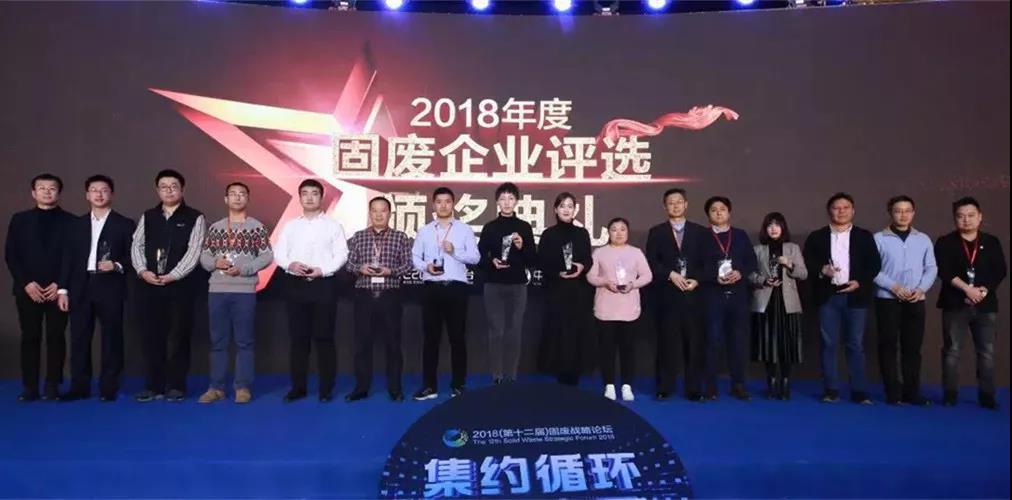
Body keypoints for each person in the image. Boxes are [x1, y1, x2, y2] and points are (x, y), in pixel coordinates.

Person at [56, 175, 136, 402]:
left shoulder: (124, 223)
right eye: (94, 190)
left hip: (110, 286)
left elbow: (135, 256)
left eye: (104, 190)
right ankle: (79, 387)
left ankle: (109, 387)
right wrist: (62, 290)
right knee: (79, 338)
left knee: (111, 338)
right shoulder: (76, 224)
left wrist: (116, 264)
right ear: (87, 195)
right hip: (80, 286)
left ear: (112, 193)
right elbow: (67, 259)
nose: (99, 194)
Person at [130, 169, 206, 402]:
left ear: (182, 189)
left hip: (180, 286)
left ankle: (176, 385)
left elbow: (195, 250)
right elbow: (137, 245)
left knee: (179, 336)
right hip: (150, 285)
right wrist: (142, 271)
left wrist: (175, 275)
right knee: (152, 336)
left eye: (174, 186)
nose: (169, 190)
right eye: (164, 186)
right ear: (157, 190)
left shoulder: (195, 217)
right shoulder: (148, 216)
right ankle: (153, 385)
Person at [273, 179, 348, 403]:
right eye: (304, 193)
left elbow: (342, 254)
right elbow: (279, 253)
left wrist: (322, 270)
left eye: (314, 193)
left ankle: (326, 389)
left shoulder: (333, 226)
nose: (309, 197)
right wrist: (291, 264)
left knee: (324, 338)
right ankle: (298, 387)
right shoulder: (290, 226)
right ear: (299, 197)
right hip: (295, 284)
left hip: (323, 285)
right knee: (298, 339)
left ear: (321, 197)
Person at [196, 182, 273, 404]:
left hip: (244, 290)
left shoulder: (256, 227)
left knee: (244, 341)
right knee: (217, 341)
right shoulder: (216, 228)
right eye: (233, 194)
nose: (237, 197)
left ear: (248, 199)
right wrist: (215, 263)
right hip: (217, 290)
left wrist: (245, 269)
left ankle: (242, 387)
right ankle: (216, 387)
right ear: (225, 199)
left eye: (242, 194)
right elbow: (204, 256)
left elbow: (267, 255)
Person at [803, 192, 881, 405]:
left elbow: (874, 264)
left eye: (846, 207)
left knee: (855, 343)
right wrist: (822, 270)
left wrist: (860, 282)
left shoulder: (864, 236)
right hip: (828, 296)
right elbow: (807, 262)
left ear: (853, 211)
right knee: (828, 343)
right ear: (829, 211)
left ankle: (859, 390)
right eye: (836, 207)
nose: (841, 211)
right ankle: (831, 389)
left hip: (856, 295)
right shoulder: (817, 236)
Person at [5, 173, 75, 401]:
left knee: (56, 337)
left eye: (52, 188)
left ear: (59, 193)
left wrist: (61, 285)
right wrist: (26, 283)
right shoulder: (20, 219)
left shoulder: (71, 222)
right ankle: (30, 387)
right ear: (33, 193)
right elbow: (11, 254)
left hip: (58, 291)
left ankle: (53, 385)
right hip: (28, 289)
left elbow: (72, 257)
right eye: (42, 188)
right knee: (30, 337)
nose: (47, 191)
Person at [934, 197, 1006, 410]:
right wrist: (967, 289)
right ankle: (950, 394)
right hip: (955, 304)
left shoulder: (991, 241)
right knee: (952, 350)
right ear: (955, 218)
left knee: (986, 351)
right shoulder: (945, 242)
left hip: (985, 305)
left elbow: (1000, 270)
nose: (966, 220)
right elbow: (943, 270)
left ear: (980, 217)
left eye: (971, 215)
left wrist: (982, 291)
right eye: (961, 216)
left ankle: (987, 395)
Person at [411, 187, 480, 400]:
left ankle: (458, 385)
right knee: (431, 339)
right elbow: (415, 257)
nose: (443, 205)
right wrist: (426, 266)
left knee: (457, 338)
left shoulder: (464, 230)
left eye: (447, 201)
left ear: (453, 204)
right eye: (439, 201)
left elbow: (475, 258)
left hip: (456, 288)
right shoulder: (424, 231)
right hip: (432, 287)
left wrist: (454, 252)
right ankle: (429, 386)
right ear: (433, 205)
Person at [344, 196, 412, 403]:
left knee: (393, 345)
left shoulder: (400, 237)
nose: (379, 214)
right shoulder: (359, 237)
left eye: (383, 210)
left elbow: (408, 264)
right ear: (370, 213)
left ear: (389, 214)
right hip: (364, 296)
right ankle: (361, 388)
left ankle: (395, 389)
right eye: (374, 210)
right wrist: (360, 268)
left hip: (389, 296)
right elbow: (348, 264)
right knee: (362, 345)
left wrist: (390, 271)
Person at [645, 188, 709, 402]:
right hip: (667, 296)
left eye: (679, 202)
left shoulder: (700, 232)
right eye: (671, 202)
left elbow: (708, 262)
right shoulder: (656, 232)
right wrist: (670, 275)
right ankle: (665, 387)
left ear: (686, 204)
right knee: (667, 343)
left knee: (695, 344)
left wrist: (697, 280)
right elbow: (651, 262)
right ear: (665, 206)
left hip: (694, 296)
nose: (675, 205)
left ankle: (694, 388)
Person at [872, 195, 936, 406]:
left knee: (912, 347)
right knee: (888, 345)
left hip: (915, 299)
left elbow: (931, 267)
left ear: (913, 213)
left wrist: (921, 289)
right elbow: (872, 269)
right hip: (887, 300)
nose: (903, 215)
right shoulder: (879, 238)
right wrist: (894, 287)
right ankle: (892, 391)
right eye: (898, 211)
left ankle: (912, 392)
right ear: (890, 213)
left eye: (907, 210)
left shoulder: (923, 239)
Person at [586, 218, 652, 401]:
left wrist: (633, 284)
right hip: (605, 309)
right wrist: (605, 282)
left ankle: (626, 385)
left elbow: (647, 275)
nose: (619, 233)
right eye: (614, 229)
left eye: (623, 229)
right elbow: (591, 276)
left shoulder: (636, 253)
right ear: (608, 233)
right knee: (607, 350)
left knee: (627, 350)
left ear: (628, 232)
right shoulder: (600, 252)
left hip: (629, 310)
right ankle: (608, 385)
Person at [699, 196, 757, 401]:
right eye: (713, 209)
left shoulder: (740, 235)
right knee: (712, 340)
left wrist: (740, 272)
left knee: (738, 341)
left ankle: (738, 384)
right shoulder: (701, 236)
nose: (718, 212)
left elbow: (751, 261)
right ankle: (710, 386)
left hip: (738, 296)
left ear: (729, 212)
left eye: (722, 209)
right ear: (708, 214)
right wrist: (713, 277)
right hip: (712, 295)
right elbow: (696, 266)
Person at [478, 182, 536, 385]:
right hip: (493, 285)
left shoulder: (524, 227)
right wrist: (491, 261)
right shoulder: (490, 227)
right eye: (503, 199)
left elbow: (532, 259)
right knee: (496, 331)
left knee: (514, 331)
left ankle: (511, 375)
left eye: (511, 198)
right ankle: (497, 375)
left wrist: (522, 246)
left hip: (517, 285)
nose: (507, 203)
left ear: (516, 201)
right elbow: (479, 257)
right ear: (497, 202)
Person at [536, 192, 593, 386]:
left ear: (575, 210)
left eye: (570, 206)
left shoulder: (582, 233)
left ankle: (574, 372)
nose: (566, 209)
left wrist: (582, 267)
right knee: (557, 331)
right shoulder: (549, 234)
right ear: (555, 209)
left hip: (578, 290)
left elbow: (588, 259)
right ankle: (559, 371)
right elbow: (542, 261)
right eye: (562, 206)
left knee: (575, 331)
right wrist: (556, 272)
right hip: (556, 289)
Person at [748, 212, 807, 400]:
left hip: (788, 303)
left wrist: (789, 264)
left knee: (787, 344)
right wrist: (763, 280)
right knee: (768, 344)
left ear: (783, 228)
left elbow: (803, 274)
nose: (773, 228)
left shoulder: (792, 248)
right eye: (770, 225)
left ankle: (786, 382)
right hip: (765, 302)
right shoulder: (758, 249)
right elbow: (749, 274)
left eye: (777, 225)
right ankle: (772, 381)